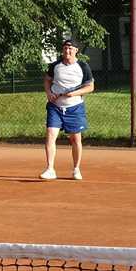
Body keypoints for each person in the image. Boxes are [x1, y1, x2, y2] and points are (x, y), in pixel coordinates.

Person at [40, 39, 95, 181]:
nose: (67, 51)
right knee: (51, 135)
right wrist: (48, 93)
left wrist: (74, 93)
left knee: (75, 138)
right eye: (65, 48)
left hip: (75, 107)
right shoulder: (55, 66)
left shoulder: (83, 66)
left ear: (76, 50)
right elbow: (47, 79)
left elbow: (90, 87)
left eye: (70, 48)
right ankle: (50, 169)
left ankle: (76, 169)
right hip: (55, 107)